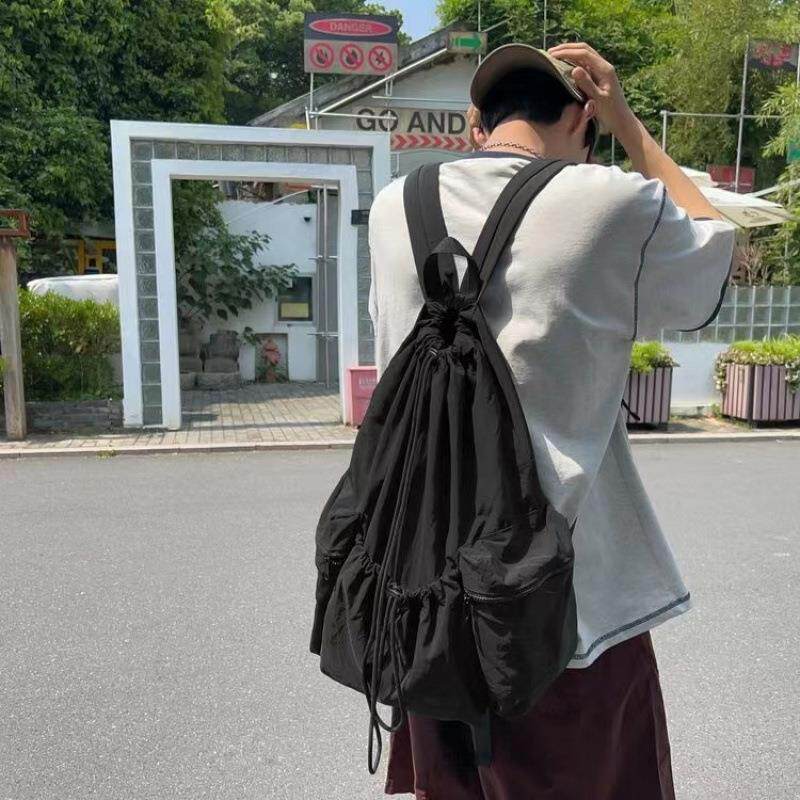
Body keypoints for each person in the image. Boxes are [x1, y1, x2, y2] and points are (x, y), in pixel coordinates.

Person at [368, 43, 736, 799]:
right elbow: (713, 251)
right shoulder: (607, 200)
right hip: (568, 609)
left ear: (477, 125)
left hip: (424, 598)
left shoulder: (393, 207)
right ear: (580, 119)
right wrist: (628, 124)